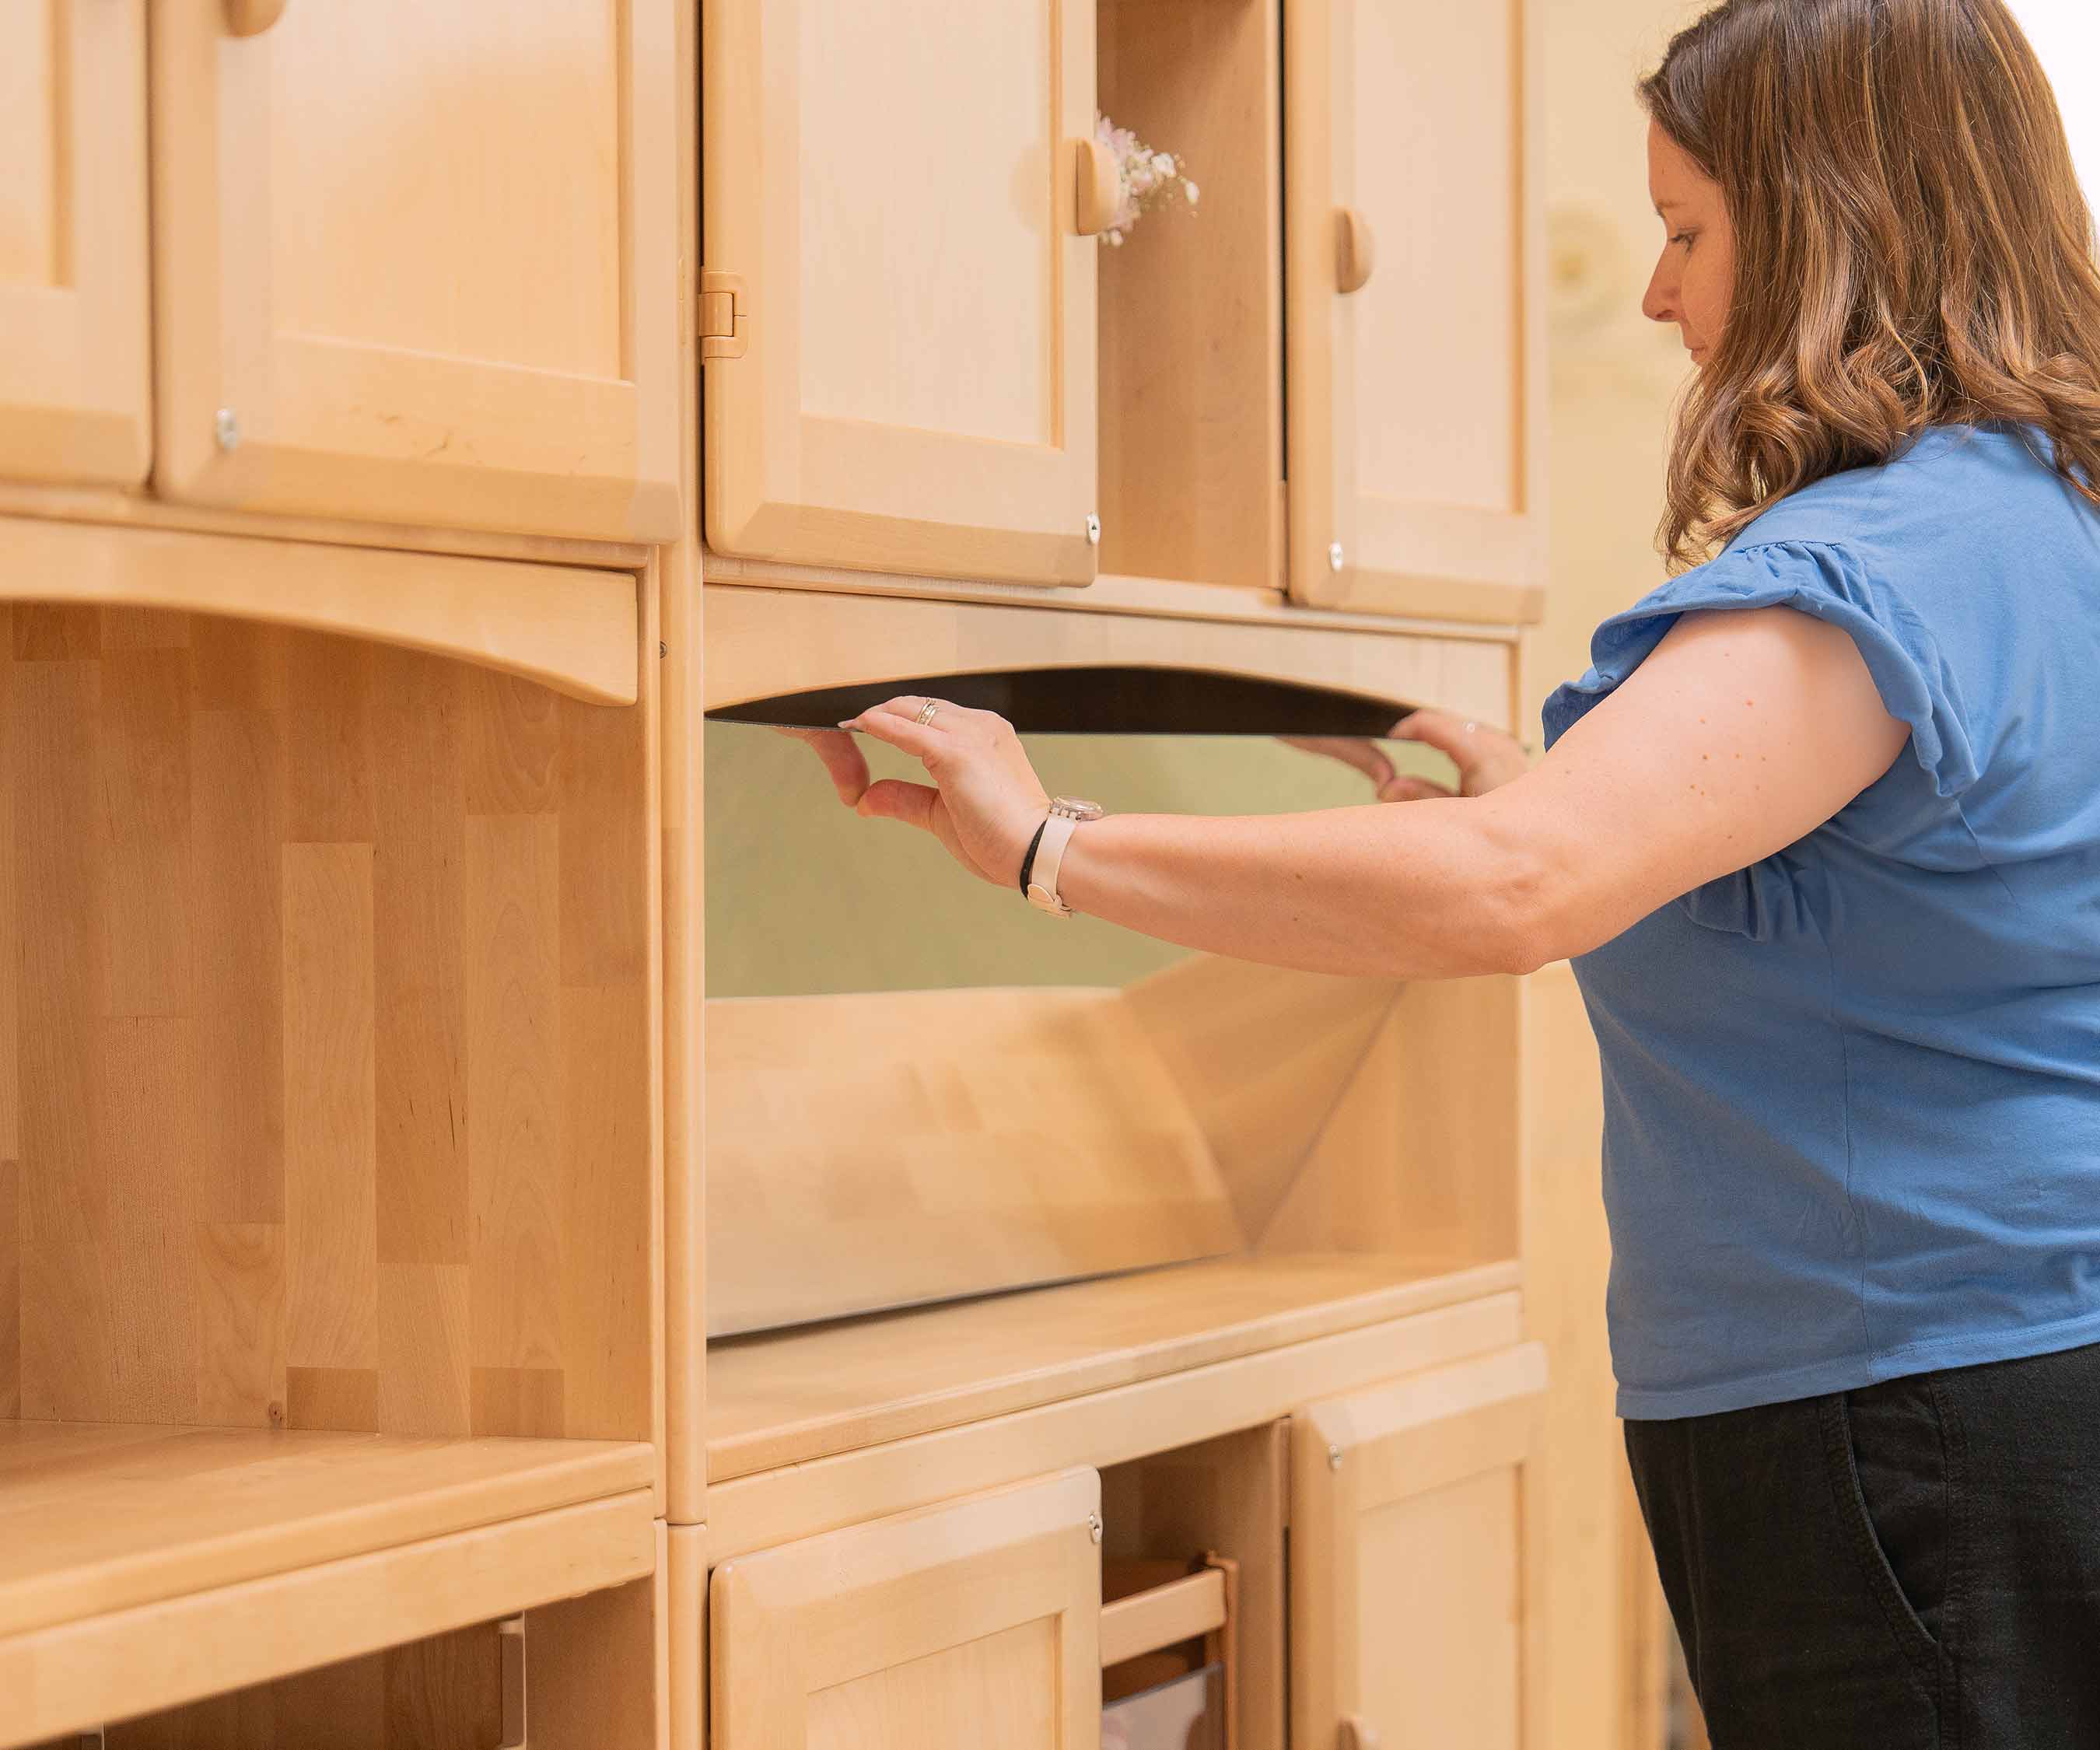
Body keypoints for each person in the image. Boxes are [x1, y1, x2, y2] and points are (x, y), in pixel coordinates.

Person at [798, 0, 2100, 1740]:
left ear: (1831, 227)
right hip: (2008, 1387)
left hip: (1904, 1414)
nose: (1660, 295)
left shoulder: (1879, 564)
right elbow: (1896, 896)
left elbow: (1520, 889)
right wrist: (1547, 796)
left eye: (1690, 231)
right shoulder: (2039, 519)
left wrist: (1053, 845)